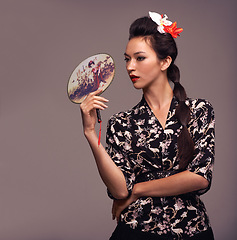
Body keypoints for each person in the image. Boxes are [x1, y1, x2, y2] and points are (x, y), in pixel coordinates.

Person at [80, 11, 215, 240]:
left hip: (192, 231)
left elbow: (199, 177)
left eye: (139, 58)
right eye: (127, 59)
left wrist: (138, 191)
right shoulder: (121, 123)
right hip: (136, 232)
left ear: (165, 61)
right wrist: (91, 134)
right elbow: (120, 190)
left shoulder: (200, 111)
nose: (130, 67)